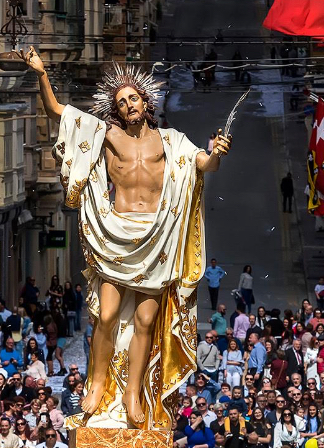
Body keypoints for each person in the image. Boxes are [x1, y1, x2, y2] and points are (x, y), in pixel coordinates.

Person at [26, 46, 230, 427]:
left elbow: (204, 165)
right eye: (121, 102)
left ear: (145, 101)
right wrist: (41, 73)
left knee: (145, 322)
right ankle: (98, 382)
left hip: (157, 239)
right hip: (117, 235)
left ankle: (134, 393)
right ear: (116, 109)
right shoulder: (107, 135)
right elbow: (58, 112)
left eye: (133, 98)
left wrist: (217, 151)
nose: (127, 106)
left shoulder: (171, 141)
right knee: (105, 316)